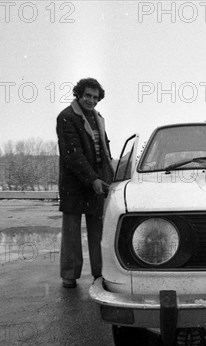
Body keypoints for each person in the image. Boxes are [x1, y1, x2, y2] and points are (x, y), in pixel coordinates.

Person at [56, 78, 114, 288]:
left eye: (95, 97)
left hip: (98, 181)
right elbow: (74, 155)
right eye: (88, 95)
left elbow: (104, 152)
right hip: (74, 183)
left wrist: (109, 177)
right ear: (78, 94)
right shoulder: (66, 117)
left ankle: (100, 273)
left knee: (98, 231)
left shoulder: (98, 117)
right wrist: (92, 179)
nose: (91, 100)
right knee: (71, 232)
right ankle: (69, 275)